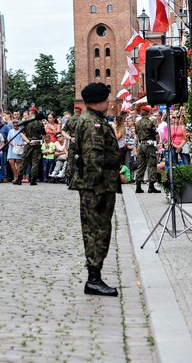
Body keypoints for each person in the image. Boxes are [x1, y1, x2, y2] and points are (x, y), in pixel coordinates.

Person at [69, 82, 124, 297]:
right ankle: (94, 279)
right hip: (98, 186)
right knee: (97, 231)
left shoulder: (93, 120)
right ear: (96, 101)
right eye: (106, 99)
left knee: (98, 230)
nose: (109, 102)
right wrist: (99, 189)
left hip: (99, 184)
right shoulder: (93, 124)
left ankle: (95, 276)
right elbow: (93, 159)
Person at [134, 105, 160, 194]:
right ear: (148, 113)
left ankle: (138, 186)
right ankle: (151, 186)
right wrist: (157, 142)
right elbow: (156, 135)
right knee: (152, 164)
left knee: (141, 165)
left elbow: (137, 134)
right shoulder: (150, 123)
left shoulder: (137, 123)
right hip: (149, 144)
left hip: (141, 144)